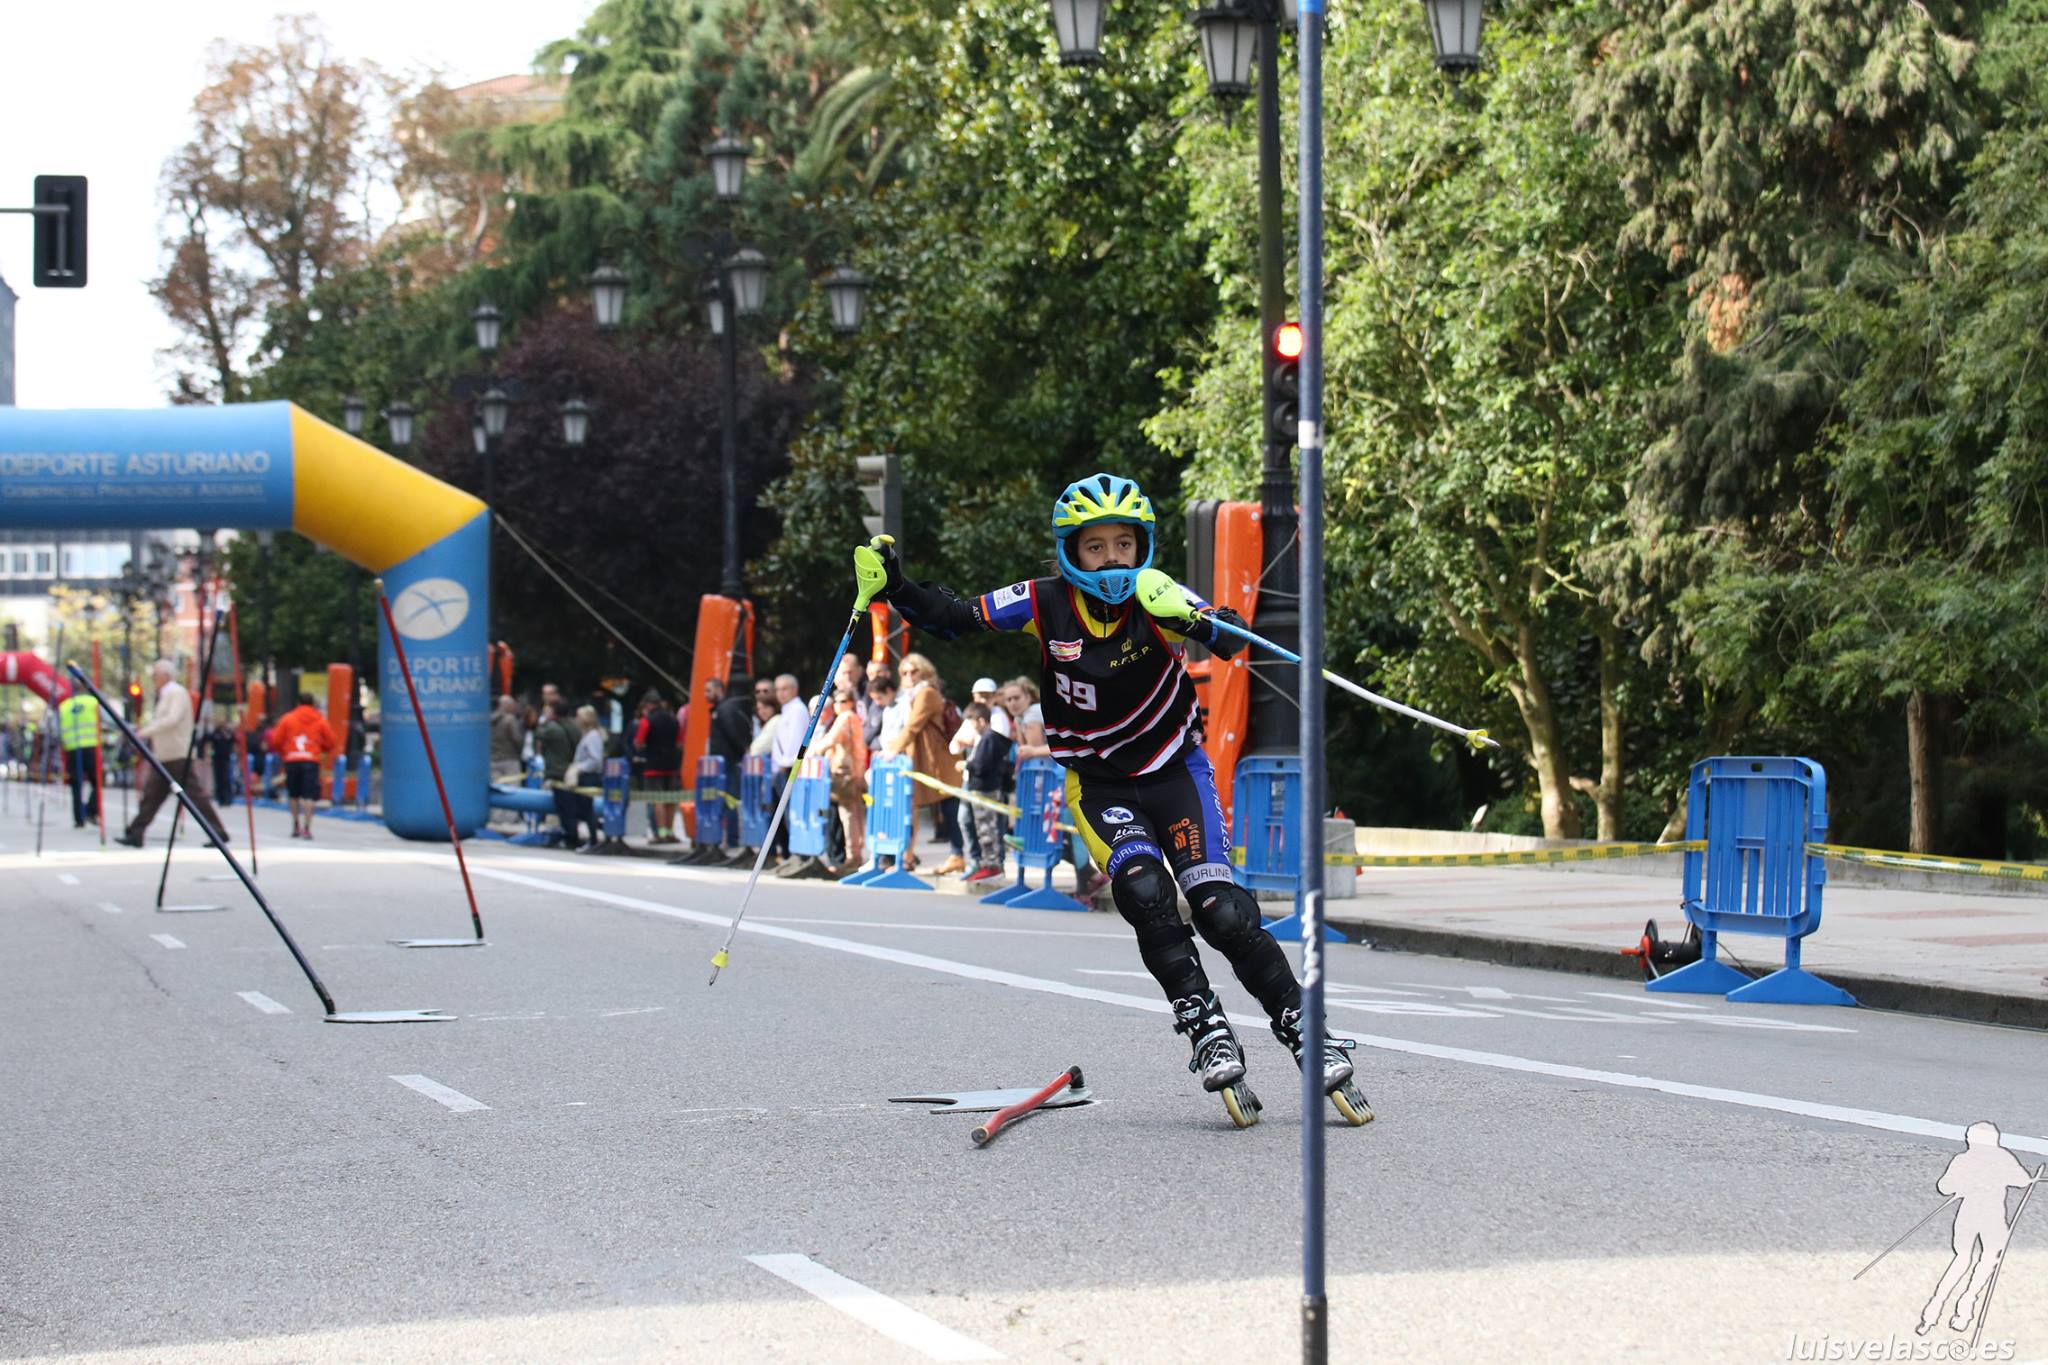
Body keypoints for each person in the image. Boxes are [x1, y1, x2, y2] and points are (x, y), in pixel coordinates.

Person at [866, 472, 1365, 1121]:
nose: (1111, 560)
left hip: (1175, 773)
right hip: (1101, 784)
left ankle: (1303, 1026)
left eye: (1123, 545)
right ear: (1072, 550)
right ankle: (1205, 1024)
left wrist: (1197, 618)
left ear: (1141, 546)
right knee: (1144, 890)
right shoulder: (1042, 601)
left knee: (1222, 910)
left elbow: (1231, 637)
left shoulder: (1156, 594)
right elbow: (957, 618)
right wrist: (896, 587)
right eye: (1095, 546)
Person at [117, 659, 229, 848]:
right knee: (152, 796)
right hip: (164, 755)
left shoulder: (176, 693)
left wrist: (145, 732)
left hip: (177, 754)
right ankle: (136, 832)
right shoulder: (166, 694)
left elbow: (172, 719)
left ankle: (217, 832)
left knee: (193, 796)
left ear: (165, 675)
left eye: (155, 675)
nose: (153, 678)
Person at [883, 653, 965, 875]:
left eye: (914, 671)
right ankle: (907, 857)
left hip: (939, 760)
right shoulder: (910, 696)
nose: (909, 676)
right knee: (912, 809)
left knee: (949, 810)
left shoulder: (927, 693)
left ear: (924, 671)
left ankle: (957, 855)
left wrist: (892, 750)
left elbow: (913, 726)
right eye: (904, 672)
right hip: (924, 760)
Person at [269, 693, 339, 840]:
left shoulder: (287, 719)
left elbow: (275, 740)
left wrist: (285, 752)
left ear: (297, 703)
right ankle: (307, 827)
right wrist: (320, 749)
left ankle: (295, 824)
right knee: (309, 795)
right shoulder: (320, 720)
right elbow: (332, 741)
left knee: (293, 794)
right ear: (313, 703)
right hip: (311, 760)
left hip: (292, 759)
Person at [817, 685, 869, 874]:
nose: (838, 705)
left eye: (843, 701)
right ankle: (855, 854)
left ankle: (853, 856)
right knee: (853, 813)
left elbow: (831, 740)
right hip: (852, 771)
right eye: (836, 701)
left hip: (845, 772)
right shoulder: (852, 718)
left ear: (851, 703)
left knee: (848, 815)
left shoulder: (846, 717)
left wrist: (812, 751)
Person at [961, 702, 1014, 884]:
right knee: (984, 829)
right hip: (984, 789)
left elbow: (982, 765)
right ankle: (988, 864)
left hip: (985, 789)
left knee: (987, 829)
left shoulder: (988, 738)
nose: (970, 726)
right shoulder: (987, 738)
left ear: (981, 721)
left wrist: (967, 765)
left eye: (972, 722)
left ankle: (993, 866)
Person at [633, 689, 683, 844]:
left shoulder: (646, 721)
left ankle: (661, 833)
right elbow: (679, 742)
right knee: (671, 799)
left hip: (653, 766)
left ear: (648, 705)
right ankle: (670, 831)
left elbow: (639, 742)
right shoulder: (673, 719)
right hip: (672, 765)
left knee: (657, 800)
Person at [561, 705, 607, 851]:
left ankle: (593, 839)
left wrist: (579, 767)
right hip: (585, 776)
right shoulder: (587, 735)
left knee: (586, 809)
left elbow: (596, 760)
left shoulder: (592, 736)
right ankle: (594, 835)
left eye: (578, 717)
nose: (576, 720)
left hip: (588, 776)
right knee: (583, 808)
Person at [57, 687, 101, 829]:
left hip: (72, 748)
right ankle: (91, 810)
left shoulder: (64, 706)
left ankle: (79, 819)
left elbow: (59, 729)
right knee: (98, 781)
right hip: (90, 746)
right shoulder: (92, 701)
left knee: (76, 785)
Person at [535, 700, 578, 843]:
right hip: (570, 770)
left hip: (557, 771)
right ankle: (570, 835)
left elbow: (538, 734)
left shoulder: (552, 728)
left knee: (564, 807)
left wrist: (544, 721)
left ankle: (570, 837)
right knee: (569, 806)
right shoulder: (573, 726)